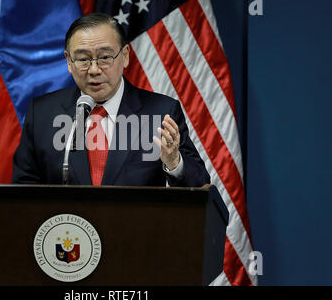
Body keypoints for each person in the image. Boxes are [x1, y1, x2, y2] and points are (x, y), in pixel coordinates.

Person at [12, 13, 210, 187]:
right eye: (83, 59)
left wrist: (174, 162)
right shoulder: (43, 114)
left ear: (124, 56)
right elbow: (23, 193)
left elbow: (200, 186)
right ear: (68, 62)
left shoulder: (161, 112)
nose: (94, 70)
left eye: (105, 57)